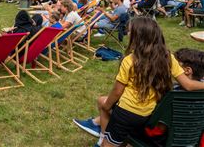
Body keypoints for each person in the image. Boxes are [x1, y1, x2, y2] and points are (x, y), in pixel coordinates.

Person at [73, 44, 204, 142]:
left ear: (187, 71)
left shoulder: (174, 95)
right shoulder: (198, 90)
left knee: (107, 103)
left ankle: (101, 134)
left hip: (155, 134)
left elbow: (155, 119)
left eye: (176, 64)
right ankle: (97, 123)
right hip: (188, 139)